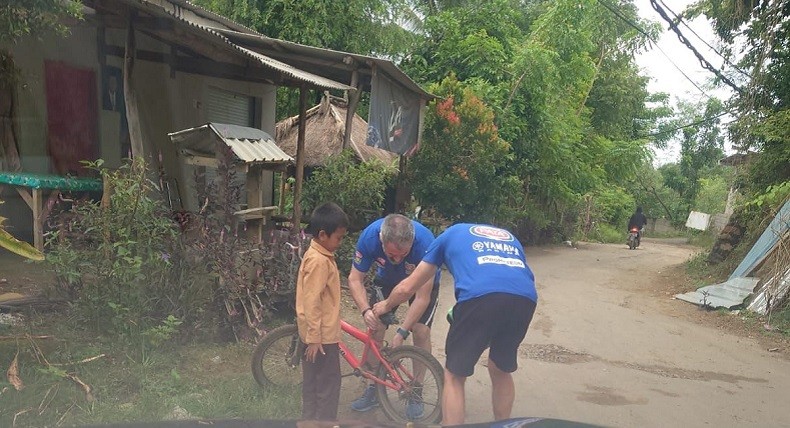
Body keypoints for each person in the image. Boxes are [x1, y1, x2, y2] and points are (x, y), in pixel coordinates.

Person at [372, 223, 538, 425]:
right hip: (525, 298)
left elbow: (408, 287)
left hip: (479, 296)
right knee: (501, 369)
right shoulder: (508, 236)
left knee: (454, 376)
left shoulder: (447, 236)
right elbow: (513, 276)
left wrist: (385, 305)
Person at [348, 214, 441, 419]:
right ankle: (373, 385)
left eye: (403, 254)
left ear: (412, 243)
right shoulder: (370, 237)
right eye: (391, 255)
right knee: (375, 327)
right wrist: (366, 310)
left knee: (420, 331)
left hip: (422, 284)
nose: (398, 259)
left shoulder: (426, 243)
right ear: (382, 240)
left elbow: (422, 298)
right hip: (387, 280)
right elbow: (355, 279)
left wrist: (401, 333)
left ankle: (416, 389)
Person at [295, 202, 349, 421]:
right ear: (323, 235)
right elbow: (312, 301)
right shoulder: (318, 261)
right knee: (327, 387)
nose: (340, 242)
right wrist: (315, 338)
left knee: (314, 385)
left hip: (315, 334)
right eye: (339, 238)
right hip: (321, 338)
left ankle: (310, 421)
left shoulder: (319, 255)